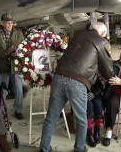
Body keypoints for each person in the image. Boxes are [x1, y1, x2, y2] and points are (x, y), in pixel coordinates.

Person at [39, 22, 114, 152]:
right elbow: (107, 70)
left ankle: (44, 148)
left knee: (51, 117)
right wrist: (112, 76)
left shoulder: (78, 36)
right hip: (77, 82)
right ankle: (79, 148)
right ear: (102, 33)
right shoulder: (101, 41)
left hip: (58, 77)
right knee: (81, 119)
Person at [0, 12, 25, 120]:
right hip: (2, 65)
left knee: (18, 88)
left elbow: (23, 47)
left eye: (11, 22)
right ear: (2, 23)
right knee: (3, 89)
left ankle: (18, 110)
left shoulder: (18, 33)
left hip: (15, 65)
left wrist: (16, 53)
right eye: (7, 23)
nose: (10, 25)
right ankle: (2, 110)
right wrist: (5, 52)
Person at [86, 79, 105, 147]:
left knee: (98, 106)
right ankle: (89, 133)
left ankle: (97, 130)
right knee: (89, 107)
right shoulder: (83, 71)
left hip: (96, 95)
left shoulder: (95, 74)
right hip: (85, 95)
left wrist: (94, 93)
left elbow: (101, 87)